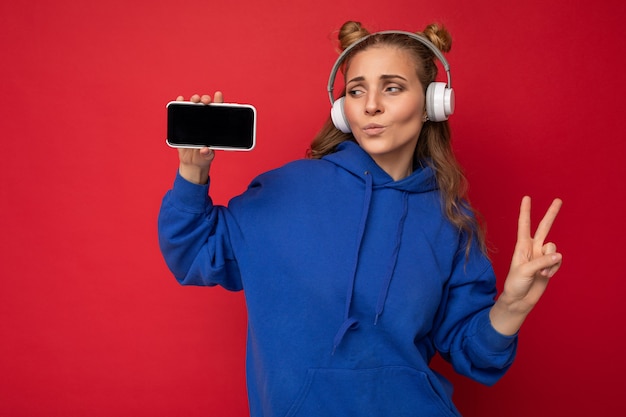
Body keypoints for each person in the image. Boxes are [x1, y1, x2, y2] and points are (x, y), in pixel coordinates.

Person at [158, 20, 563, 417]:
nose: (371, 104)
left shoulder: (452, 220)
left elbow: (473, 353)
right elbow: (196, 253)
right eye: (356, 90)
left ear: (433, 103)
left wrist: (512, 305)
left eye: (392, 87)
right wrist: (192, 174)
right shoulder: (285, 192)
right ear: (341, 109)